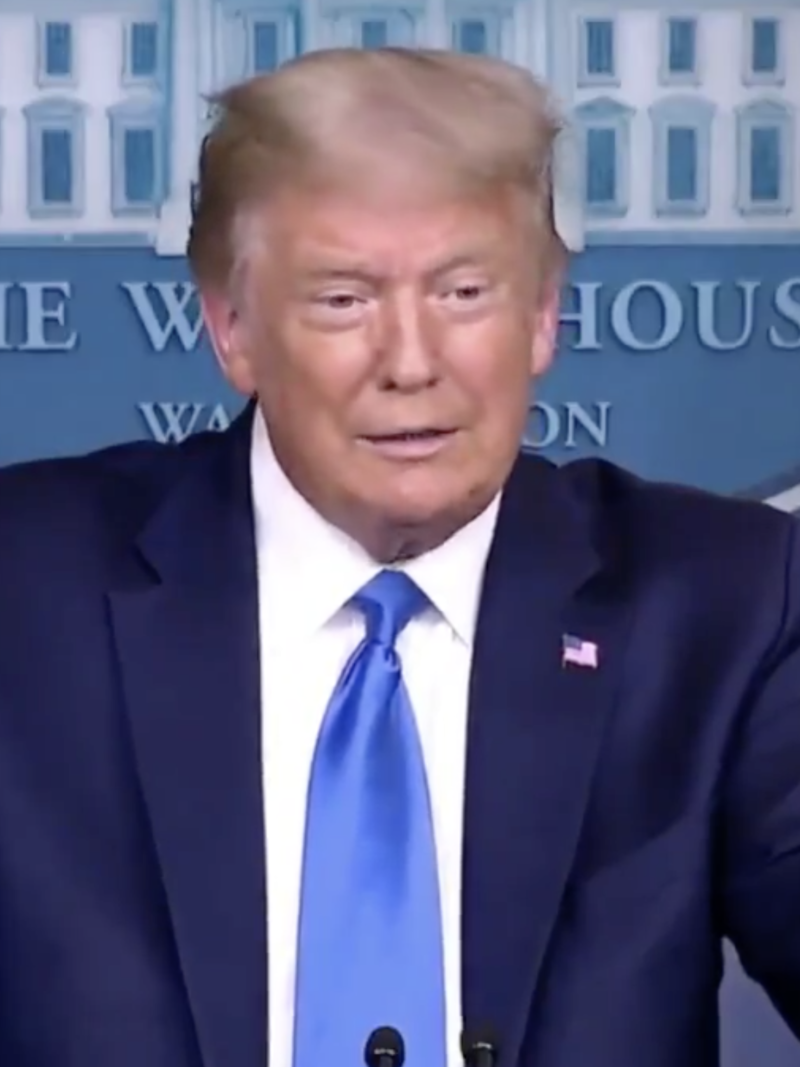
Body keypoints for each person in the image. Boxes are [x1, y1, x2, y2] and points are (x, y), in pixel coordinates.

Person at [0, 44, 799, 1067]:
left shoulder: (720, 607)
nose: (412, 363)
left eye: (463, 292)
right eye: (344, 299)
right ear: (231, 327)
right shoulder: (29, 593)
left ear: (542, 315)